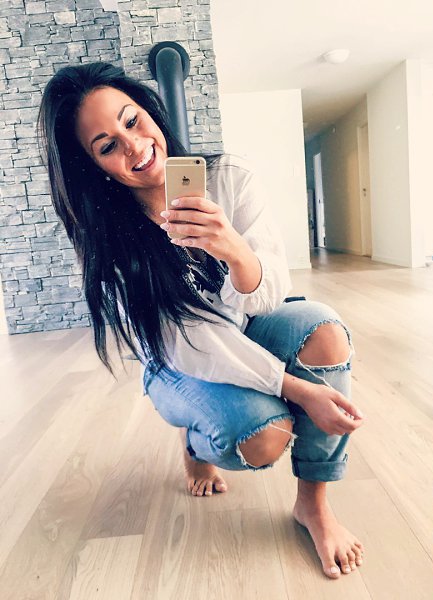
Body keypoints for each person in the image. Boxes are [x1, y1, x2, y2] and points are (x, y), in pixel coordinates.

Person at [37, 61, 365, 580]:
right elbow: (187, 342)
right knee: (263, 436)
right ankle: (194, 442)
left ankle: (314, 505)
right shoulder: (109, 238)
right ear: (95, 167)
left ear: (150, 111)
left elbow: (269, 296)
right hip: (176, 363)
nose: (135, 146)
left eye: (132, 120)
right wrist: (298, 391)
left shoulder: (229, 177)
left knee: (323, 328)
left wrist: (233, 249)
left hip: (243, 325)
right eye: (107, 146)